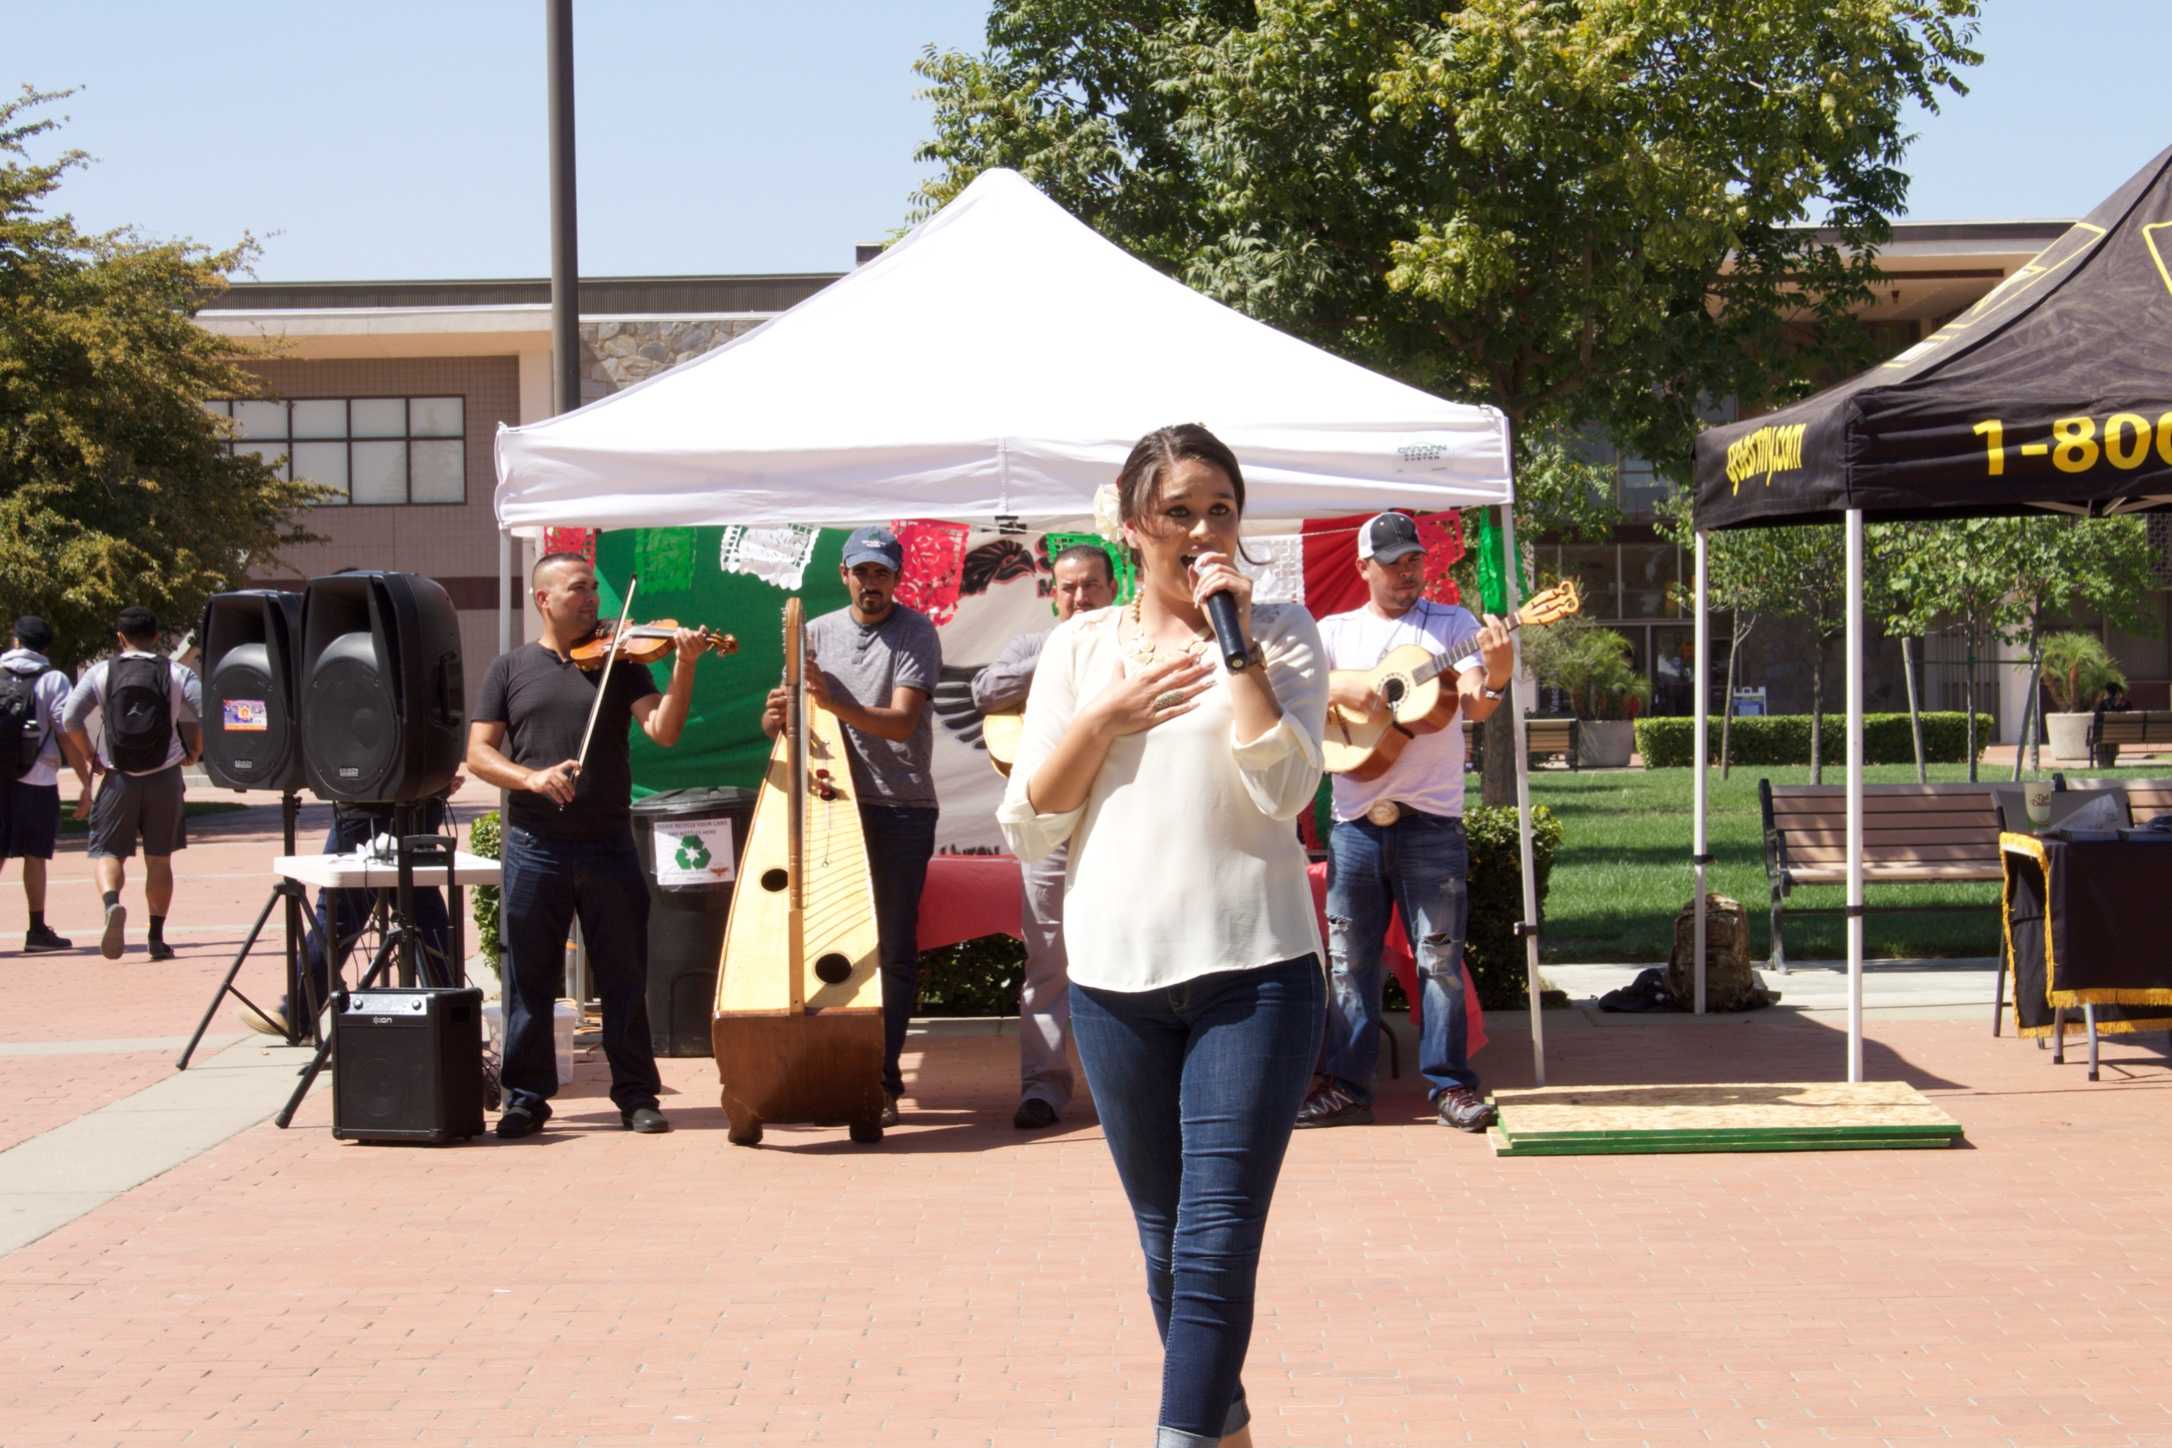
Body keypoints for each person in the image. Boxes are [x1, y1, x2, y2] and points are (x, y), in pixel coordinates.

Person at [998, 424, 1327, 1448]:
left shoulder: (1279, 630)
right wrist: (1105, 718)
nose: (1200, 529)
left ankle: (1178, 1434)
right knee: (1166, 1236)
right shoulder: (1080, 647)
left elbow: (1286, 786)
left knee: (1218, 1231)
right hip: (1113, 979)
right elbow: (1033, 819)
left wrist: (1235, 646)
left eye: (1219, 508)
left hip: (1257, 969)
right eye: (1178, 510)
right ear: (1136, 525)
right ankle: (1220, 1427)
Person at [465, 553, 712, 1138]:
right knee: (530, 974)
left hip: (607, 842)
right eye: (577, 590)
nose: (592, 601)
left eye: (593, 592)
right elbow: (478, 753)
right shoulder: (509, 669)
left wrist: (684, 669)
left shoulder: (622, 664)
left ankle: (636, 1095)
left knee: (624, 973)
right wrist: (530, 777)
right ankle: (525, 1097)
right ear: (543, 599)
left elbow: (664, 730)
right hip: (534, 843)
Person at [1296, 511, 1514, 1134]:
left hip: (1431, 823)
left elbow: (1474, 701)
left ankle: (1451, 1085)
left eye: (1414, 560)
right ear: (1363, 567)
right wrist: (1358, 688)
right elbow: (1300, 690)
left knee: (1438, 960)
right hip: (1356, 822)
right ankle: (1344, 1085)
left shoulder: (1454, 624)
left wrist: (1495, 673)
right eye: (1391, 563)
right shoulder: (1333, 631)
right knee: (1348, 962)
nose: (1406, 573)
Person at [761, 525, 941, 1129]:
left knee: (890, 948)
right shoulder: (813, 633)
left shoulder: (916, 632)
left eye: (883, 573)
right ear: (844, 574)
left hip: (901, 808)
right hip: (832, 803)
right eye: (862, 572)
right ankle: (828, 1071)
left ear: (897, 578)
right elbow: (795, 724)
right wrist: (776, 717)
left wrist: (833, 700)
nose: (872, 584)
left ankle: (883, 1080)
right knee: (827, 943)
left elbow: (898, 723)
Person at [970, 544, 1117, 1129]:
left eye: (1091, 587)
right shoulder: (1035, 646)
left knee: (1125, 952)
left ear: (1113, 588)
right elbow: (985, 691)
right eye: (1068, 589)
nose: (1080, 598)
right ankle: (1044, 1087)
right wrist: (1060, 651)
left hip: (1116, 821)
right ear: (1053, 593)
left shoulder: (1132, 643)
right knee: (1048, 960)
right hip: (1048, 826)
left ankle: (1127, 1087)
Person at [243, 789, 459, 1038]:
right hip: (418, 801)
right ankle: (450, 1015)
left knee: (339, 914)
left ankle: (297, 1012)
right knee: (422, 913)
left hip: (367, 801)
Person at [61, 607, 202, 962]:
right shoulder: (175, 671)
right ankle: (156, 936)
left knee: (108, 852)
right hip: (165, 775)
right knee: (159, 860)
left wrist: (89, 752)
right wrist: (195, 748)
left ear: (120, 638)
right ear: (156, 637)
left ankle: (112, 903)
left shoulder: (101, 672)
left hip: (117, 775)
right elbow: (206, 709)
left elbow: (69, 717)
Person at [2, 616, 95, 953]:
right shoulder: (54, 679)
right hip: (38, 779)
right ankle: (37, 929)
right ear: (45, 646)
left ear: (16, 641)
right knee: (34, 855)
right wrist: (86, 782)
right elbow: (66, 731)